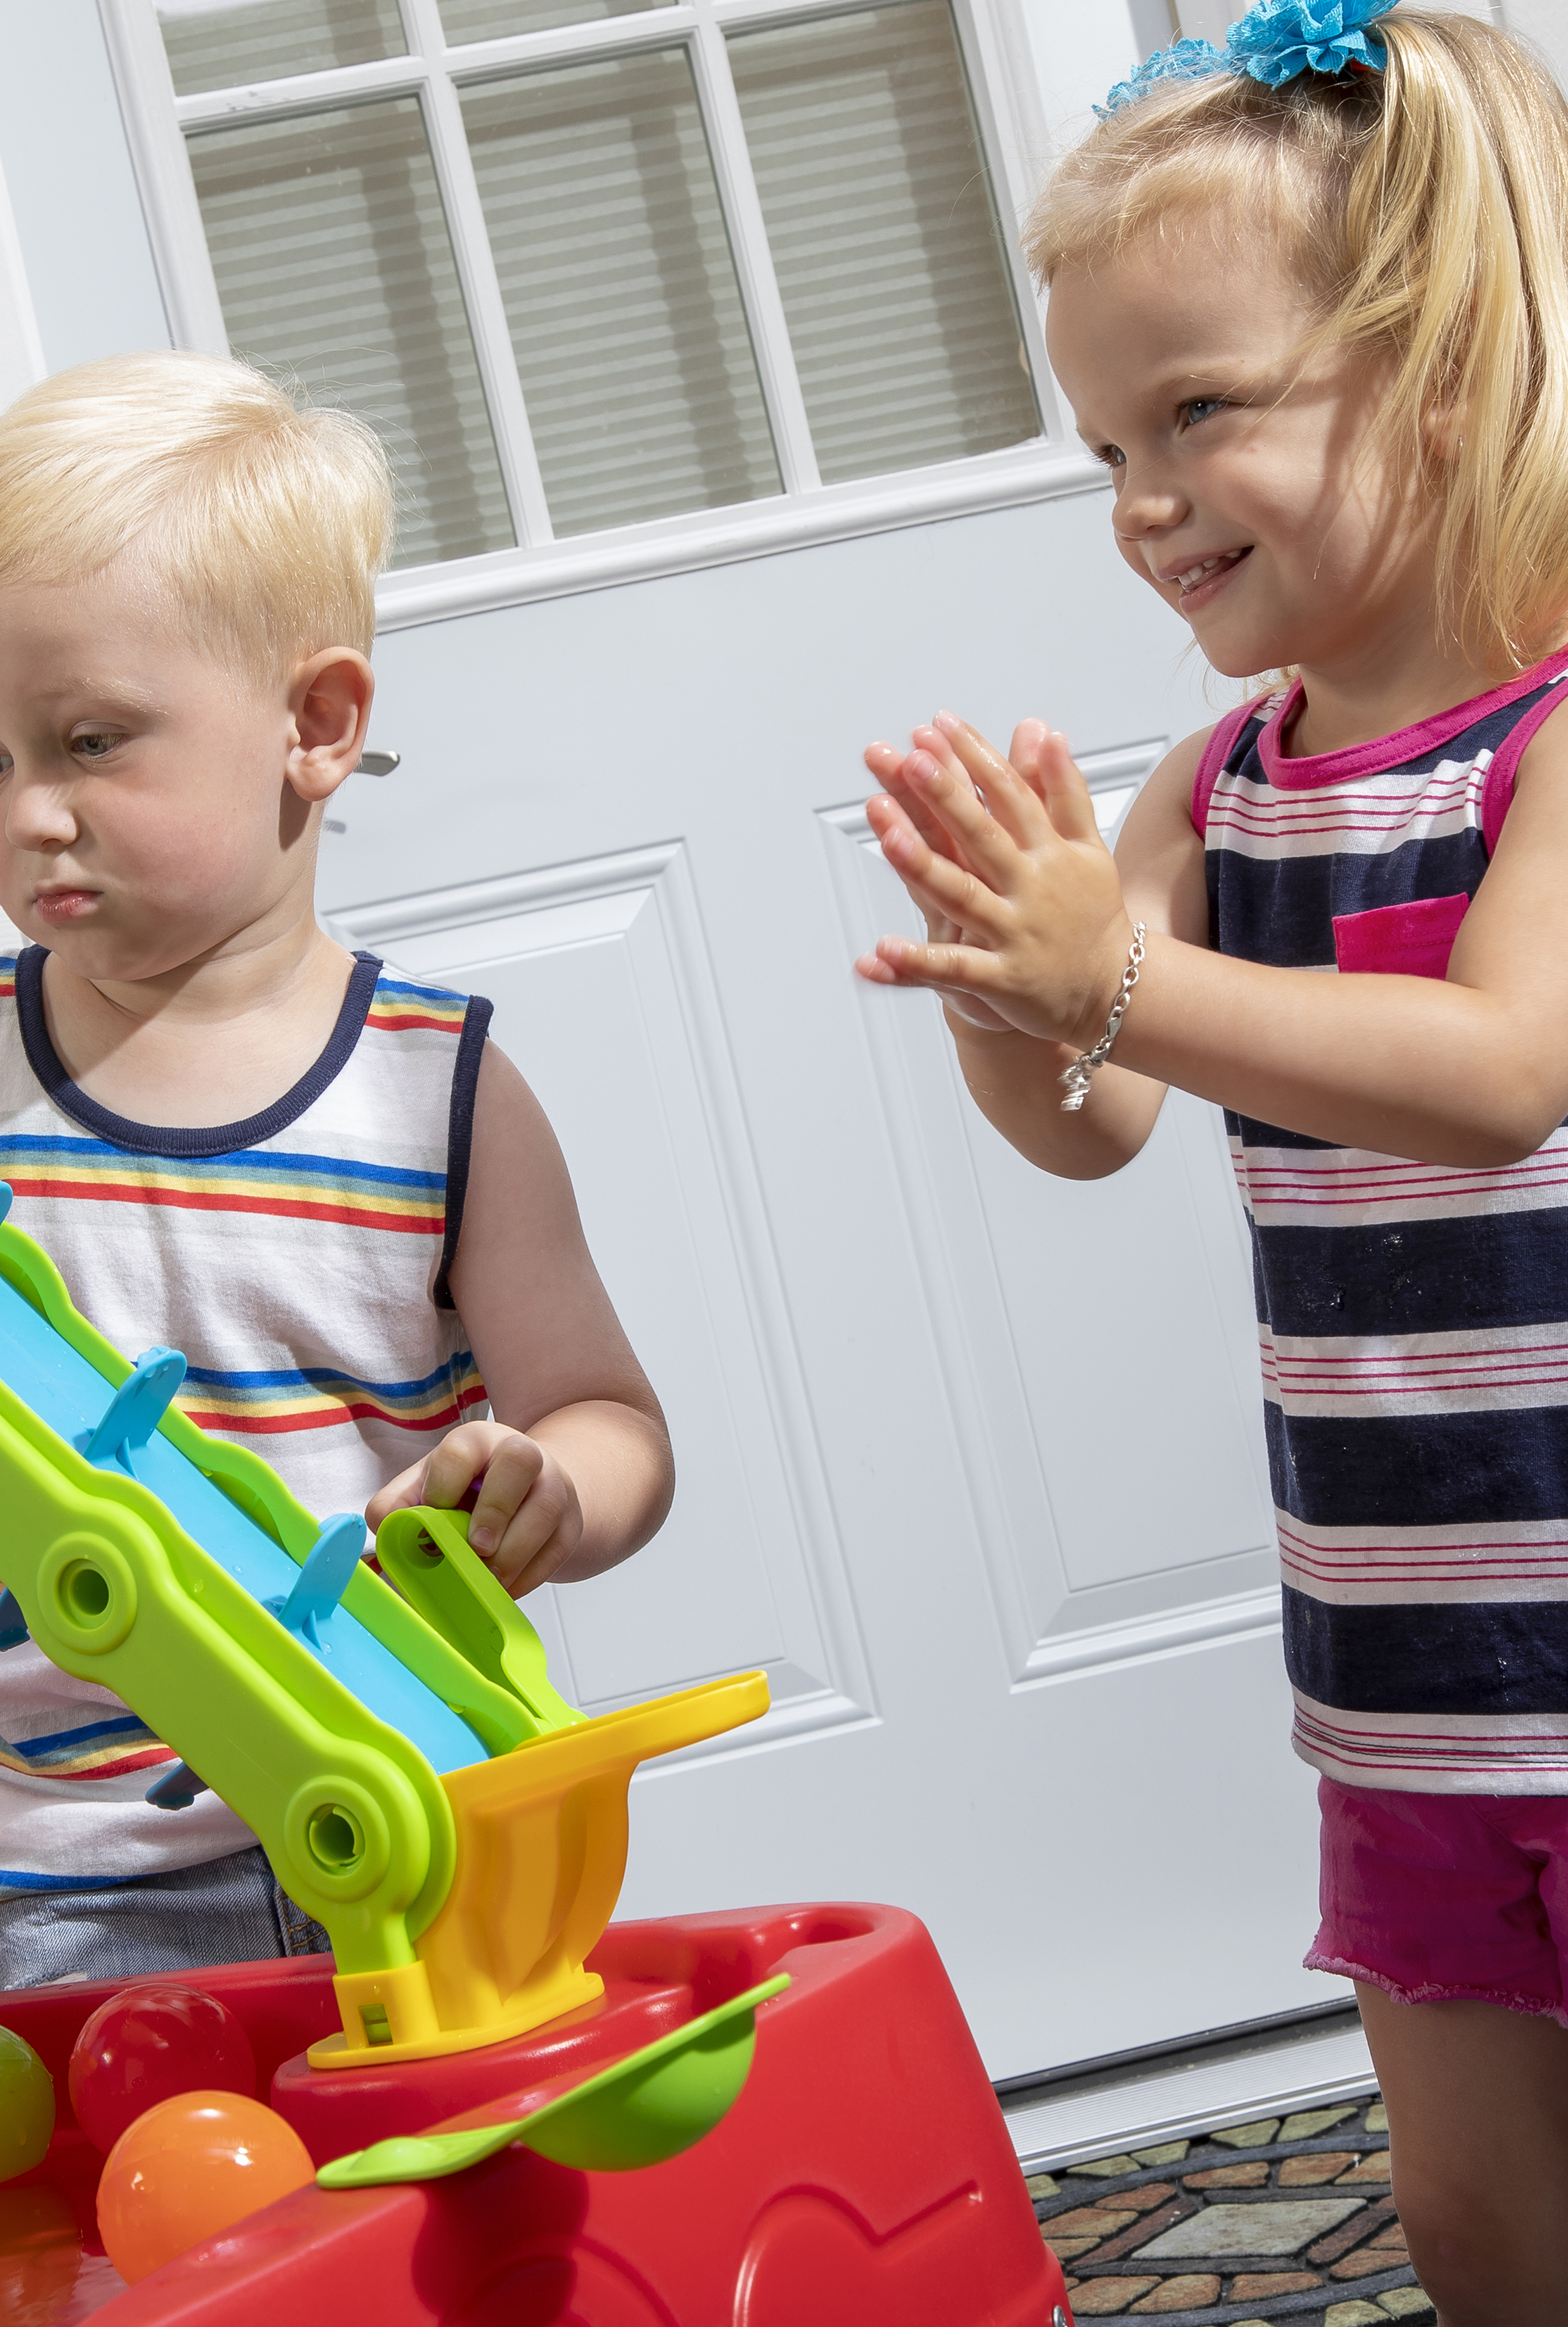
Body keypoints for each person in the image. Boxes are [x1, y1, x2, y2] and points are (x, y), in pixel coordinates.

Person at [851, 7, 1568, 2319]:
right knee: (1480, 2230)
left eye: (1201, 412)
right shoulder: (1213, 784)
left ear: (1443, 362)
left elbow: (1496, 1071)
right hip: (1407, 1674)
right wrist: (1015, 999)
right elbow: (1098, 1127)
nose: (1143, 499)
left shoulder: (1554, 738)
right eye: (1103, 445)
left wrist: (1115, 985)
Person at [0, 350, 673, 1997]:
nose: (30, 817)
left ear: (315, 724)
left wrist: (549, 1491)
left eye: (87, 740)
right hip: (66, 1874)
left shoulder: (440, 1091)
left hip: (419, 1815)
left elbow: (613, 1419)